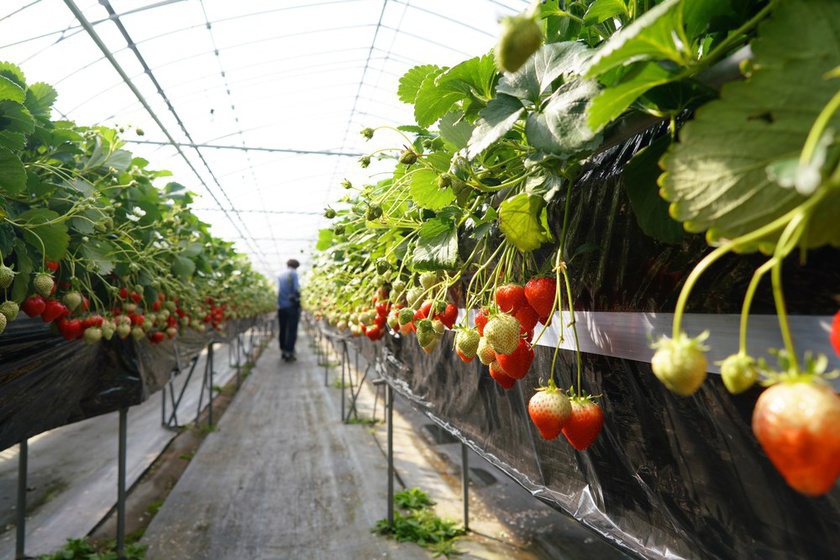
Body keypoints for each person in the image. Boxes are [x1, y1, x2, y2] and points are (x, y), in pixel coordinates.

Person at [277, 258, 301, 362]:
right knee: (292, 330)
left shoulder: (279, 275)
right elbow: (296, 289)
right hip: (291, 306)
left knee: (282, 329)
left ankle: (283, 350)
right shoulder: (293, 274)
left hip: (281, 307)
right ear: (296, 266)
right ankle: (289, 352)